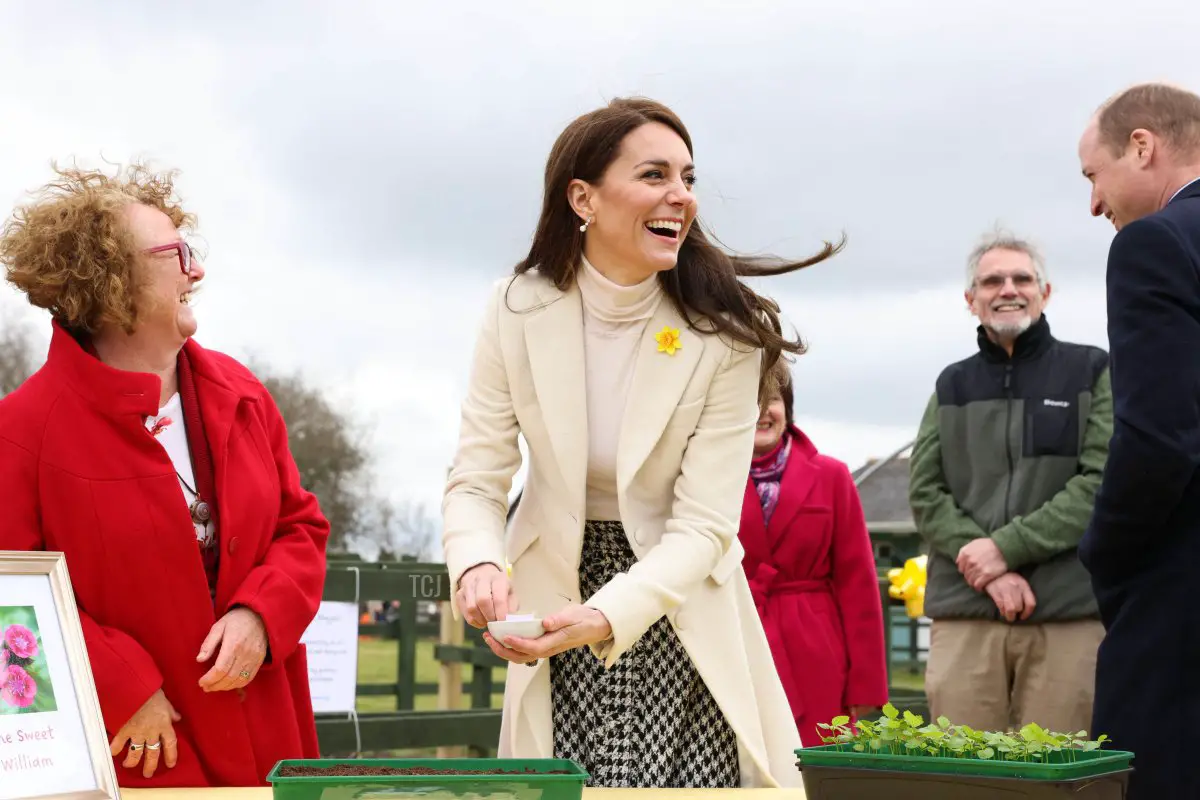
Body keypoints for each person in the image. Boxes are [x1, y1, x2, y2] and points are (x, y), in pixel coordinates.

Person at [441, 97, 842, 788]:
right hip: (552, 603)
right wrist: (477, 563)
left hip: (677, 600)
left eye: (687, 177)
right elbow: (478, 478)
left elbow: (705, 526)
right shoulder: (515, 307)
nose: (680, 196)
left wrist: (605, 615)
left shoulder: (728, 331)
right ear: (583, 197)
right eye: (655, 175)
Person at [0, 165, 329, 787]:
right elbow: (9, 595)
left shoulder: (244, 394)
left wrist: (261, 615)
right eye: (176, 254)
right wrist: (120, 688)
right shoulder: (19, 431)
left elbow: (300, 526)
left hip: (270, 742)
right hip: (143, 751)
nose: (196, 272)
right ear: (109, 280)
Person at [908, 230, 1111, 737]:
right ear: (970, 299)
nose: (1008, 289)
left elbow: (1099, 482)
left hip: (1066, 614)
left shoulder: (1092, 371)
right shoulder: (950, 384)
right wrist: (990, 568)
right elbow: (926, 493)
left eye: (1022, 278)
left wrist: (1006, 548)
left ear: (1046, 293)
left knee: (1062, 774)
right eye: (992, 280)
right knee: (963, 776)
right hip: (966, 615)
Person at [1076, 82, 1200, 799]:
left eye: (1094, 176)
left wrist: (1107, 556)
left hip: (1179, 614)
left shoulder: (1156, 243)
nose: (1094, 205)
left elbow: (1159, 438)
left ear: (1143, 146)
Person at [738, 359, 887, 747]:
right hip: (738, 634)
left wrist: (866, 683)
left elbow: (858, 582)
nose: (761, 412)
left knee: (819, 759)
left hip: (816, 646)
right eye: (748, 399)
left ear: (787, 407)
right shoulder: (706, 476)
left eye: (771, 399)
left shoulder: (831, 476)